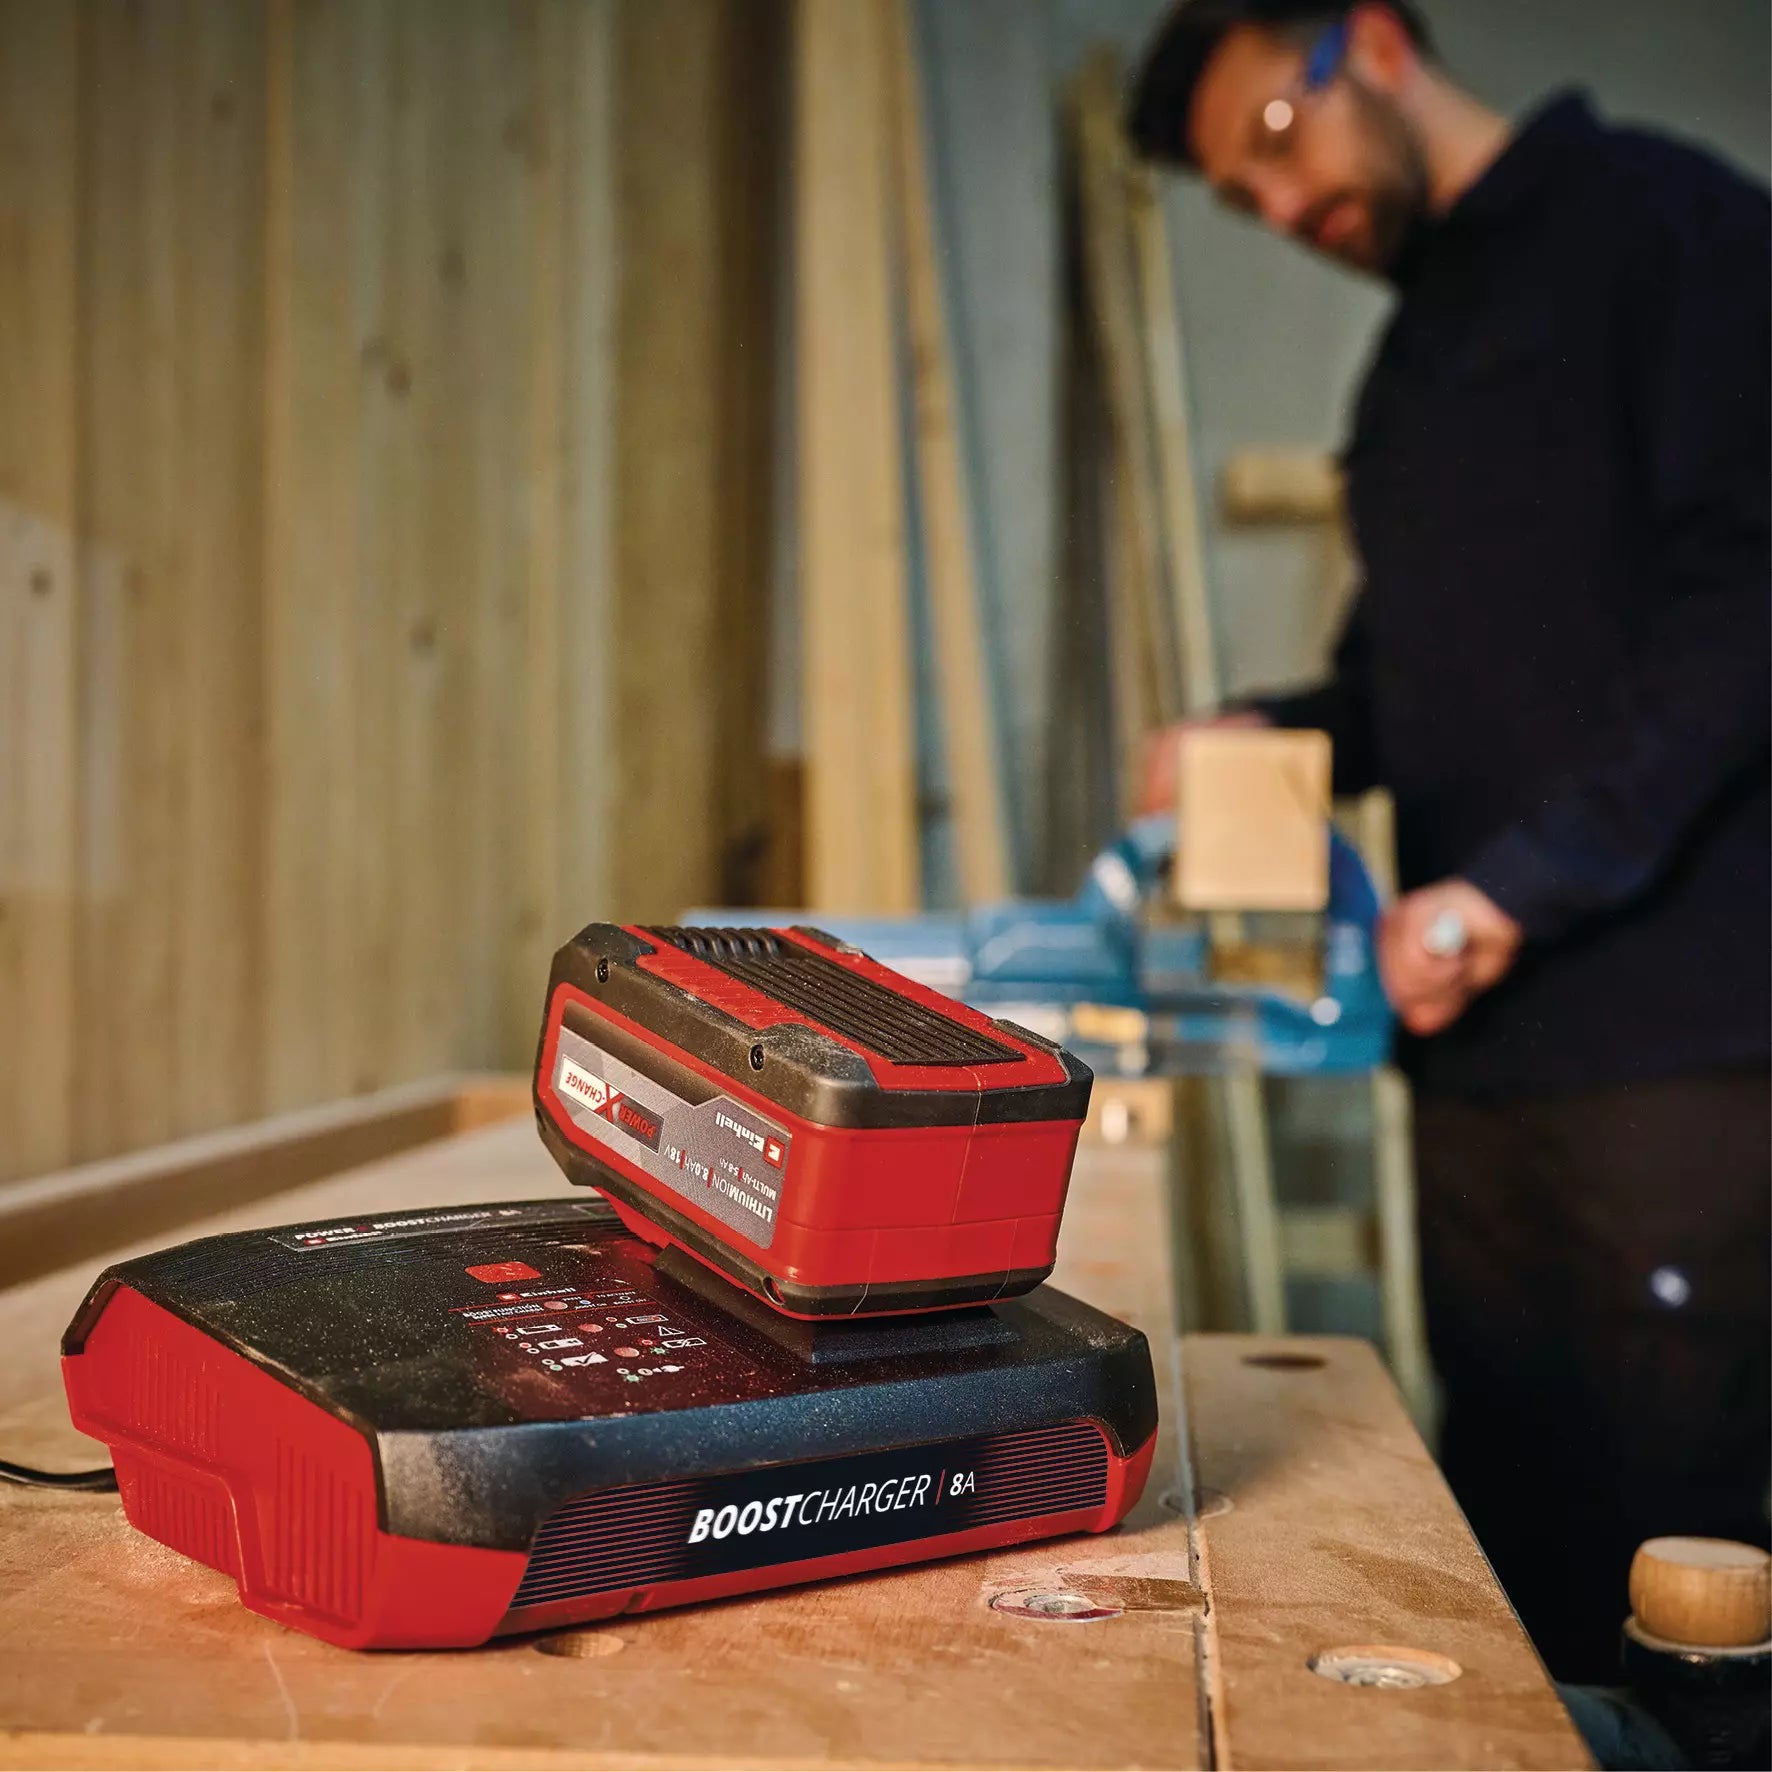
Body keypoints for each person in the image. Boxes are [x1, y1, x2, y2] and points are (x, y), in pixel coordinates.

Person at [1128, 0, 1770, 1681]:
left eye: (1278, 142)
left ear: (1371, 40)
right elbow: (1405, 690)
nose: (1283, 209)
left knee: (1678, 1562)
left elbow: (1745, 614)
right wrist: (1264, 732)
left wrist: (1515, 886)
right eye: (1242, 197)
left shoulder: (1676, 232)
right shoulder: (1414, 365)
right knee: (1507, 1539)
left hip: (1677, 1060)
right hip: (1477, 1057)